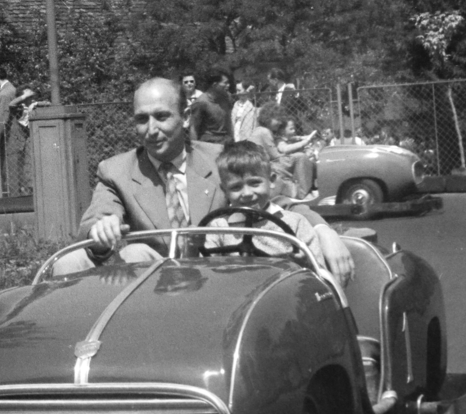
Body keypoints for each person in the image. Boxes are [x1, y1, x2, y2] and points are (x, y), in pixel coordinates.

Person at [50, 77, 352, 282]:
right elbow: (92, 225)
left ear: (183, 117)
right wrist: (102, 232)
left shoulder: (220, 158)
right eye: (142, 119)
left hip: (219, 278)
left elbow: (280, 200)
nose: (151, 130)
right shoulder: (115, 171)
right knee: (76, 262)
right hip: (154, 287)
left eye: (161, 116)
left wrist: (324, 231)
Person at [203, 141, 344, 266]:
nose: (246, 193)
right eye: (236, 187)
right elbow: (208, 270)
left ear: (271, 181)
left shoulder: (294, 223)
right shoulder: (220, 228)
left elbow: (319, 275)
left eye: (254, 183)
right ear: (224, 190)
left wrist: (304, 263)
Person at [0, 70, 33, 197]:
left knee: (11, 171)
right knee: (18, 170)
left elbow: (3, 118)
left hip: (11, 138)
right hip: (17, 136)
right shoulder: (11, 90)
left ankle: (15, 201)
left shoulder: (5, 94)